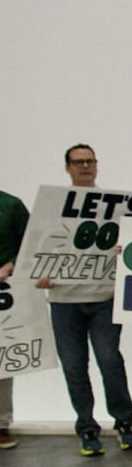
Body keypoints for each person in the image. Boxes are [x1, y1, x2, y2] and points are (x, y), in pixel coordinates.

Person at [38, 144, 132, 456]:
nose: (85, 166)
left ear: (96, 165)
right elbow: (38, 246)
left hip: (104, 296)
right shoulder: (53, 205)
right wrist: (39, 271)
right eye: (78, 162)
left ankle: (124, 421)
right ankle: (86, 427)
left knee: (109, 359)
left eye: (89, 161)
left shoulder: (116, 206)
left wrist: (129, 250)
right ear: (67, 167)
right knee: (74, 365)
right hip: (63, 299)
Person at [0, 188, 30, 450]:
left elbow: (30, 241)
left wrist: (10, 265)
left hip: (3, 288)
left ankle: (0, 424)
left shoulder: (11, 204)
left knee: (2, 358)